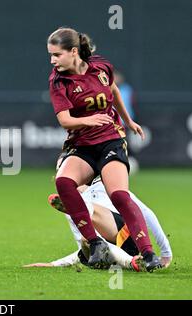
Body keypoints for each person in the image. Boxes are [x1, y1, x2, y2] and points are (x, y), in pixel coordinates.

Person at [47, 27, 162, 271]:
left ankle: (148, 253)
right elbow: (65, 120)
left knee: (119, 195)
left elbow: (113, 90)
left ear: (74, 52)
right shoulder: (58, 80)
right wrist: (87, 120)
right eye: (51, 55)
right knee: (64, 182)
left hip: (110, 140)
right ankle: (95, 243)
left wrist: (128, 121)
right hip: (82, 145)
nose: (52, 60)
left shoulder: (101, 67)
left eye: (57, 55)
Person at [24, 177, 172, 271]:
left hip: (129, 237)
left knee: (87, 211)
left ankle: (128, 261)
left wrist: (165, 252)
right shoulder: (70, 212)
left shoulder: (105, 184)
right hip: (111, 252)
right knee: (86, 241)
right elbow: (84, 249)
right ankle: (129, 261)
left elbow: (145, 213)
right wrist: (54, 264)